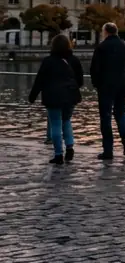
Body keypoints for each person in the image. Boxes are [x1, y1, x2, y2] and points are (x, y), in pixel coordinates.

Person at [28, 34, 84, 165]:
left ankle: (58, 154)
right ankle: (69, 146)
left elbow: (39, 80)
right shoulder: (74, 60)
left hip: (53, 96)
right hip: (70, 95)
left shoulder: (48, 61)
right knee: (66, 120)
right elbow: (80, 80)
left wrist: (32, 96)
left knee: (55, 124)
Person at [90, 21, 125, 159]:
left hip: (105, 86)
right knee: (121, 114)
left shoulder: (101, 48)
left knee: (106, 117)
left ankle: (108, 150)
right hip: (123, 85)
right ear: (116, 31)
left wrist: (97, 84)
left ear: (105, 32)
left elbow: (94, 69)